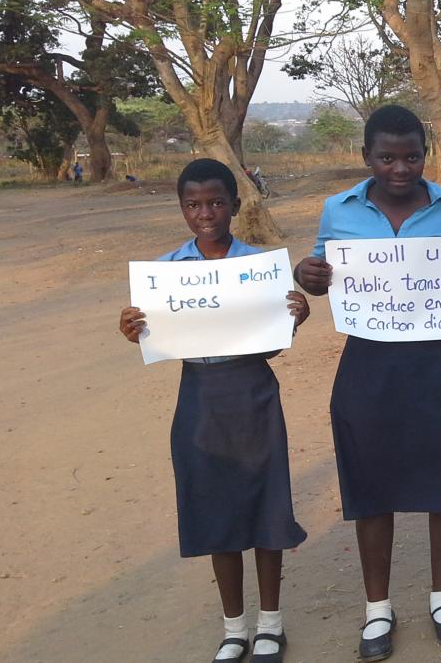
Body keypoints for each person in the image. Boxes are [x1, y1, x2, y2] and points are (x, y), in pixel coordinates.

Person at [293, 105, 441, 661]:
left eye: (411, 156)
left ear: (424, 155)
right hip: (371, 365)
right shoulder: (337, 211)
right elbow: (320, 277)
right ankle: (377, 608)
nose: (400, 168)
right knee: (372, 482)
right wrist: (307, 274)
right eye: (387, 157)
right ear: (366, 157)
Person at [117, 158, 310, 663]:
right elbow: (162, 336)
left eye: (217, 202)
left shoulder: (259, 268)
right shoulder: (165, 275)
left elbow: (270, 344)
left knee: (266, 505)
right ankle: (234, 628)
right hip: (199, 397)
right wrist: (136, 326)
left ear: (236, 205)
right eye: (194, 205)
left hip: (253, 394)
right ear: (182, 209)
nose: (206, 213)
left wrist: (294, 319)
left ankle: (271, 622)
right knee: (216, 507)